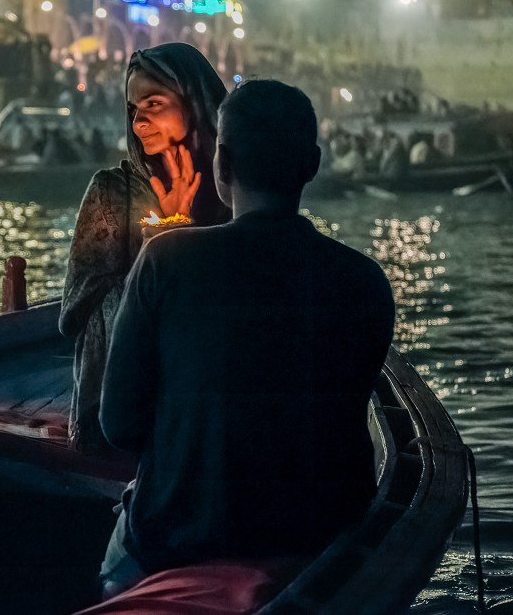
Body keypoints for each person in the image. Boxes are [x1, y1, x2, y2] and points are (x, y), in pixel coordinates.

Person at [91, 80, 396, 607]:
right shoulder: (365, 281)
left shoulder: (166, 260)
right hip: (320, 545)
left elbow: (119, 426)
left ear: (223, 166)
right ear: (313, 165)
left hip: (175, 543)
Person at [60, 43, 231, 452]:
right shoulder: (111, 192)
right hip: (124, 403)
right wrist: (161, 251)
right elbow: (73, 311)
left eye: (154, 103)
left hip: (213, 400)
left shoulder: (232, 189)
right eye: (133, 109)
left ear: (194, 102)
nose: (139, 122)